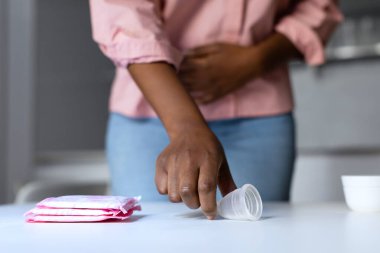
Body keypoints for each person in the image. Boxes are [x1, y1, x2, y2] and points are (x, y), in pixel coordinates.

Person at [89, 0, 342, 219]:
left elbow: (319, 7)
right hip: (149, 114)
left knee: (257, 239)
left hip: (259, 116)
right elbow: (124, 11)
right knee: (151, 240)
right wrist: (185, 127)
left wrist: (256, 60)